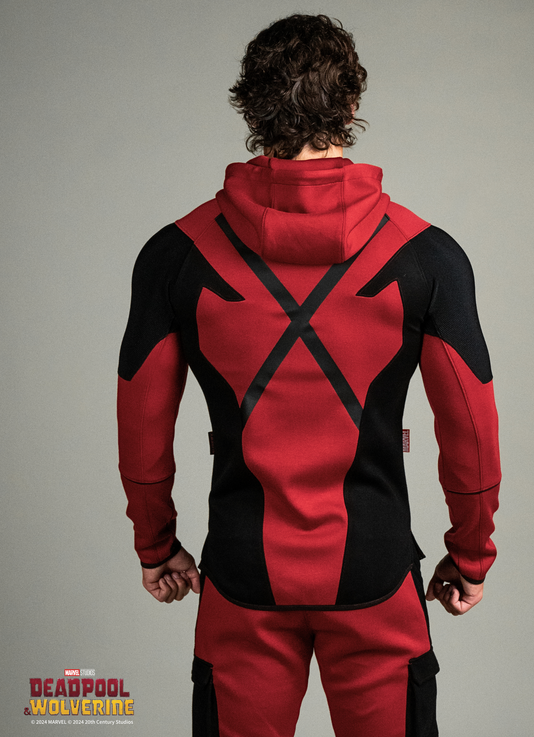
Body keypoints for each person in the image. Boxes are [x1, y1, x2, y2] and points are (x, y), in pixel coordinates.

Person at [117, 13, 500, 737]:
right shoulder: (427, 257)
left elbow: (141, 425)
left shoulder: (175, 255)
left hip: (242, 575)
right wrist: (471, 553)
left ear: (252, 107)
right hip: (375, 571)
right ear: (350, 105)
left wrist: (156, 544)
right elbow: (472, 431)